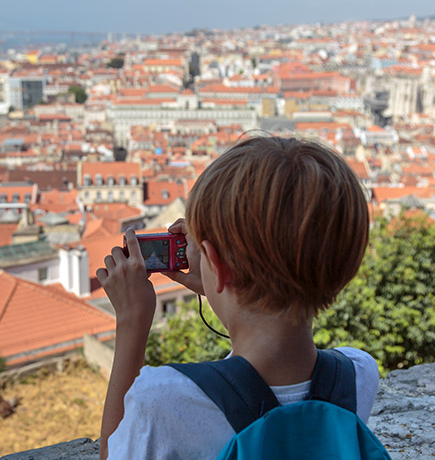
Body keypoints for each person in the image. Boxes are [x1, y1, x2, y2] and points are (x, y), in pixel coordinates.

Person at [95, 136, 380, 459]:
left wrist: (132, 322)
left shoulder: (164, 400)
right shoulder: (357, 376)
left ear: (215, 263)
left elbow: (113, 453)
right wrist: (225, 279)